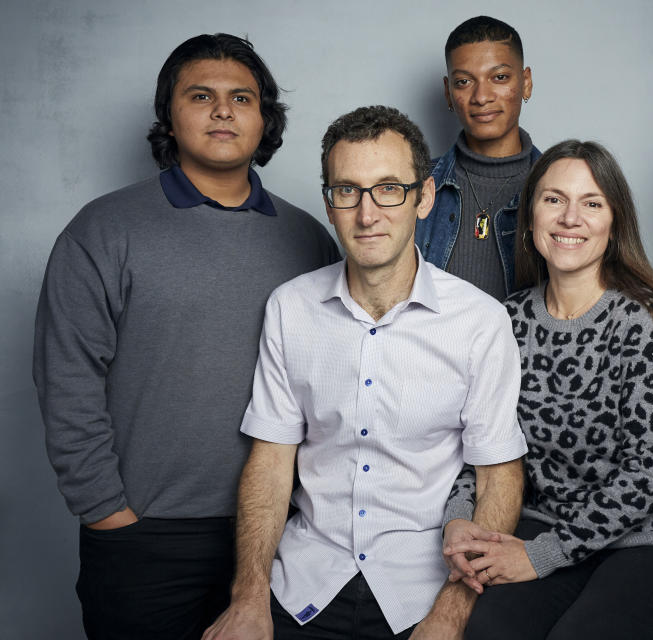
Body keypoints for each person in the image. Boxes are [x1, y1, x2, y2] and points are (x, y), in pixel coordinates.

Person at [33, 33, 340, 639]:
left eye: (242, 98)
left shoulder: (310, 240)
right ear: (169, 116)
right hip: (145, 535)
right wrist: (107, 515)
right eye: (201, 95)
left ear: (264, 119)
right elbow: (66, 379)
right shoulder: (103, 229)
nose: (223, 110)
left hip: (284, 532)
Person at [202, 105, 528, 640]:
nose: (367, 213)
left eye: (388, 190)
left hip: (422, 590)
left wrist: (451, 614)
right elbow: (271, 460)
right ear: (329, 203)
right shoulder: (290, 308)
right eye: (347, 191)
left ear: (423, 198)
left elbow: (499, 476)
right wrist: (248, 598)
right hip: (305, 578)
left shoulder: (480, 322)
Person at [443, 140, 653, 640]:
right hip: (548, 524)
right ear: (530, 220)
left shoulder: (645, 322)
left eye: (591, 203)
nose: (570, 217)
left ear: (614, 224)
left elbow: (649, 473)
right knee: (484, 630)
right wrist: (459, 519)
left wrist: (541, 555)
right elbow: (482, 445)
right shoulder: (505, 322)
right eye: (554, 200)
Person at [415, 15, 539, 300]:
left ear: (526, 82)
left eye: (499, 77)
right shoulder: (415, 188)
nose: (481, 96)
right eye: (464, 82)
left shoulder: (559, 191)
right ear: (448, 92)